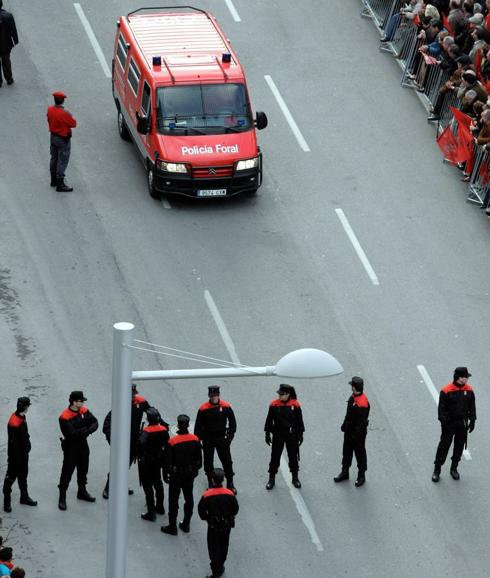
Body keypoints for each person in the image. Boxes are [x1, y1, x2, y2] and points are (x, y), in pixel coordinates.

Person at [102, 383, 150, 499]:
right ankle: (108, 488)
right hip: (121, 442)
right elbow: (107, 426)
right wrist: (113, 442)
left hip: (134, 441)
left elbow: (151, 411)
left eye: (133, 394)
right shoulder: (119, 405)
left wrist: (161, 422)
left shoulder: (141, 402)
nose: (132, 396)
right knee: (117, 466)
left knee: (126, 465)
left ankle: (121, 485)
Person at [432, 367, 476, 482]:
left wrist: (473, 420)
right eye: (465, 377)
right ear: (458, 377)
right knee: (444, 446)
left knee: (459, 446)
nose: (466, 379)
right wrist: (444, 423)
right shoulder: (446, 390)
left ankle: (454, 468)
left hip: (462, 423)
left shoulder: (469, 390)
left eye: (467, 377)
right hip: (449, 423)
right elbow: (441, 410)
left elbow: (472, 407)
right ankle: (437, 469)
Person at [161, 414, 202, 535]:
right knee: (188, 499)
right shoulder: (195, 440)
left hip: (176, 475)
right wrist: (193, 471)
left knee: (173, 501)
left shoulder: (172, 442)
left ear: (178, 425)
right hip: (189, 475)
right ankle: (186, 523)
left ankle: (172, 526)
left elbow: (167, 462)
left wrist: (166, 474)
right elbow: (199, 461)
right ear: (188, 425)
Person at [58, 391, 98, 511]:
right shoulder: (64, 417)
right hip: (71, 448)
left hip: (83, 446)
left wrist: (85, 430)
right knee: (67, 472)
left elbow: (95, 423)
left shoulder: (84, 411)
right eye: (81, 401)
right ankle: (62, 497)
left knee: (83, 470)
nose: (83, 403)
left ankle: (82, 492)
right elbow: (71, 435)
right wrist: (87, 429)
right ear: (74, 402)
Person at [194, 386, 237, 493]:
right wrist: (198, 441)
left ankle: (230, 483)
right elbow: (198, 426)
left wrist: (230, 437)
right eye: (212, 396)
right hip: (208, 438)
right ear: (209, 396)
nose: (214, 398)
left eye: (215, 396)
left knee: (227, 461)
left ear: (219, 395)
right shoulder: (203, 408)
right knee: (208, 461)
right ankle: (210, 481)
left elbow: (233, 422)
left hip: (222, 438)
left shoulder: (225, 406)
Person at [198, 468, 239, 578]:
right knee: (224, 545)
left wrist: (208, 518)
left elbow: (201, 511)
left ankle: (216, 571)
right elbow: (235, 509)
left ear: (212, 480)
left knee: (213, 547)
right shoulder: (229, 493)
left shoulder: (207, 495)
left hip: (214, 526)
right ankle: (221, 565)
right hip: (226, 526)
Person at [264, 384, 304, 490]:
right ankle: (271, 479)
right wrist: (267, 433)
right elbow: (269, 420)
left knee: (293, 457)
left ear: (288, 395)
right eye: (279, 394)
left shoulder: (295, 404)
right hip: (278, 434)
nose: (279, 396)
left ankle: (295, 478)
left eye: (282, 394)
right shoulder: (274, 404)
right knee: (275, 457)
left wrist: (300, 434)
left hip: (291, 435)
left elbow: (300, 421)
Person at [333, 377, 370, 487]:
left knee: (360, 454)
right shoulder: (353, 398)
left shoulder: (362, 403)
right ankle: (345, 472)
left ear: (354, 387)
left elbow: (362, 423)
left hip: (358, 435)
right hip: (349, 431)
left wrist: (355, 435)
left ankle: (361, 475)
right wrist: (345, 424)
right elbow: (348, 414)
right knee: (346, 452)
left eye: (352, 386)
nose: (351, 387)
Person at [3, 397, 37, 513]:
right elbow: (13, 444)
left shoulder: (22, 416)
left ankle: (24, 497)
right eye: (28, 406)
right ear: (26, 407)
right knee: (10, 478)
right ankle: (7, 500)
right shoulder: (14, 422)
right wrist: (15, 458)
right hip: (15, 457)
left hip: (23, 454)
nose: (28, 408)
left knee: (23, 476)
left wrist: (27, 446)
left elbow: (24, 435)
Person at [137, 407, 168, 521]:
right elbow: (167, 445)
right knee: (158, 482)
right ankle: (160, 506)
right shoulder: (163, 430)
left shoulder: (146, 432)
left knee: (147, 485)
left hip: (147, 460)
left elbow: (140, 445)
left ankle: (151, 511)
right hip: (158, 459)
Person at [47, 91, 77, 192]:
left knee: (54, 158)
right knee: (62, 160)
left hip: (53, 137)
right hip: (63, 139)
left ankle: (53, 180)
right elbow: (73, 124)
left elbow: (49, 120)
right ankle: (60, 183)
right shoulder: (65, 113)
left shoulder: (50, 110)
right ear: (63, 101)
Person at [0, 0, 18, 87]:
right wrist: (15, 40)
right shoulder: (8, 16)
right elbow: (13, 30)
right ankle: (9, 78)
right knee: (6, 61)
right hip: (6, 44)